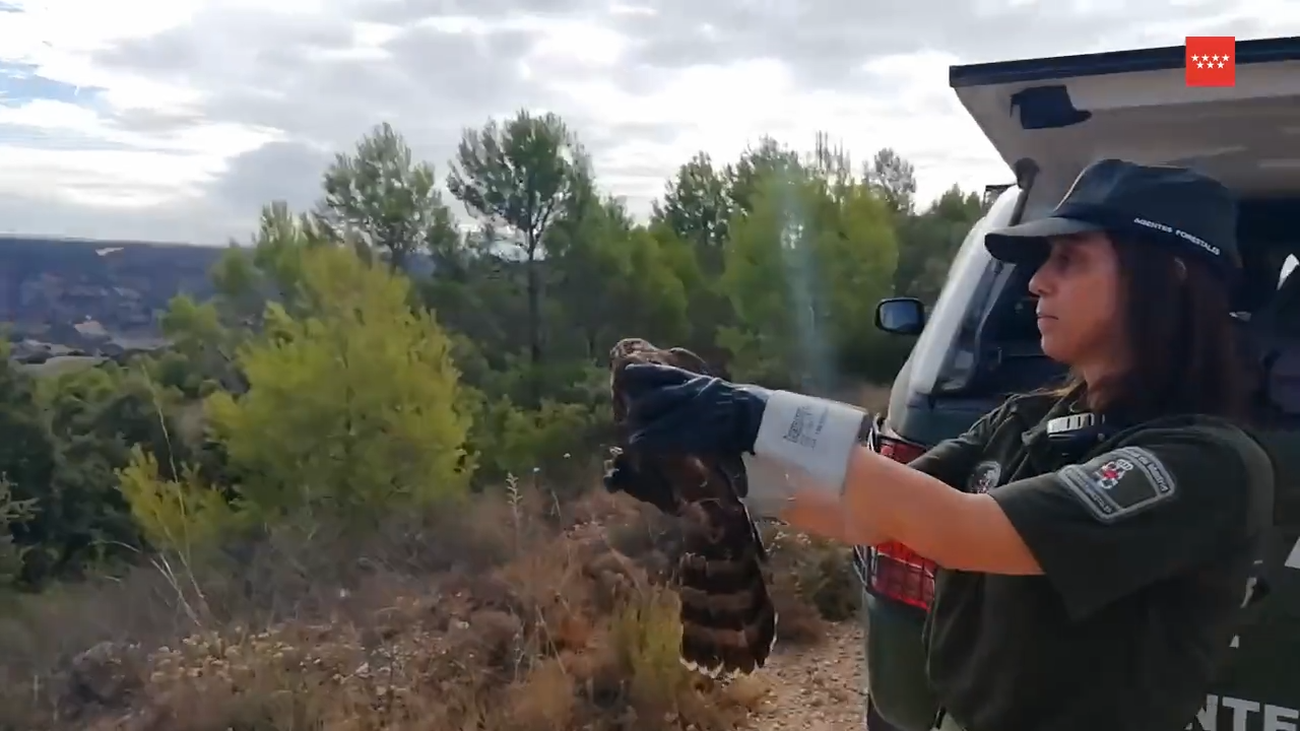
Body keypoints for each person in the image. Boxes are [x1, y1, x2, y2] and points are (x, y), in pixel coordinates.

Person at [606, 158, 1276, 731]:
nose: (1038, 280)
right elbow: (868, 511)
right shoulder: (1030, 418)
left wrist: (754, 414)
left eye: (1069, 260)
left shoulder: (1207, 461)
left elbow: (966, 529)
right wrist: (720, 485)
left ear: (1168, 279)